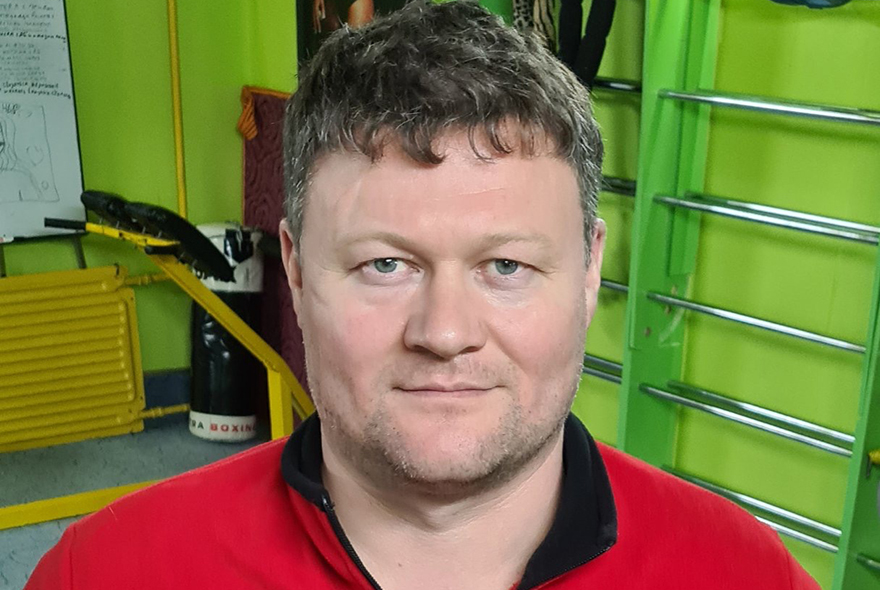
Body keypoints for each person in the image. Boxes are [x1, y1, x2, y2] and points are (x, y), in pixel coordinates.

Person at [26, 1, 820, 588]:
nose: (444, 333)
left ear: (588, 271)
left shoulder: (746, 576)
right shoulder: (106, 573)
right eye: (385, 265)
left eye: (505, 266)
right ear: (295, 270)